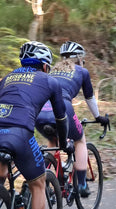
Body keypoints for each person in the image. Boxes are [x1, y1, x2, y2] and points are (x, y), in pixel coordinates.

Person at [0, 41, 73, 209]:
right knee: (38, 184)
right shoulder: (50, 81)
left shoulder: (7, 78)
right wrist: (64, 143)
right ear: (44, 65)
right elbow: (61, 117)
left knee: (2, 171)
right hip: (20, 134)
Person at [35, 41, 109, 197]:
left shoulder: (51, 70)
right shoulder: (82, 71)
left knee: (53, 142)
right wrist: (98, 117)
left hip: (40, 111)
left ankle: (43, 178)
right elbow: (89, 98)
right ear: (79, 58)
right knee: (80, 140)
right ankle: (81, 184)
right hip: (62, 109)